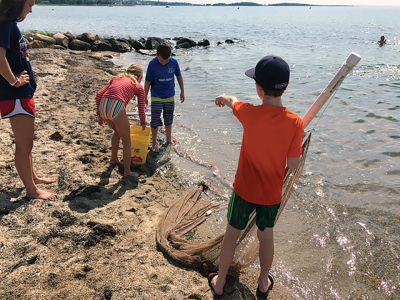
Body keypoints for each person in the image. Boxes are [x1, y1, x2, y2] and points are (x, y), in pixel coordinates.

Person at [208, 56, 304, 299]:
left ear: (259, 90)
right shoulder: (296, 123)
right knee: (266, 236)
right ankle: (263, 282)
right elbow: (293, 165)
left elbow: (233, 101)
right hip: (270, 195)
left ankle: (219, 283)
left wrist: (223, 98)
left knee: (232, 234)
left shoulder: (249, 113)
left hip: (243, 191)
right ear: (286, 87)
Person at [0, 0, 57, 200]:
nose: (32, 9)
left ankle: (33, 178)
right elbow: (0, 59)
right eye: (30, 4)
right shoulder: (5, 25)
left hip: (22, 94)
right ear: (17, 3)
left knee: (27, 144)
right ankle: (32, 191)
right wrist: (14, 81)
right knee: (24, 146)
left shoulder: (10, 25)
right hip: (16, 95)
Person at [95, 64, 146, 178]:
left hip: (103, 104)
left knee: (117, 132)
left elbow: (98, 95)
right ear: (139, 77)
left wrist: (99, 115)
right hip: (116, 105)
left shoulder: (116, 78)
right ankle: (127, 172)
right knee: (127, 140)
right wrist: (143, 122)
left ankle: (113, 159)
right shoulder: (137, 85)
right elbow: (141, 107)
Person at [144, 43, 185, 152]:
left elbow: (179, 76)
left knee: (168, 119)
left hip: (169, 96)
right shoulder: (152, 64)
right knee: (155, 120)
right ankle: (154, 142)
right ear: (156, 55)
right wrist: (145, 96)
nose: (164, 63)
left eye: (166, 61)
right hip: (156, 96)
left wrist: (182, 91)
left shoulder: (174, 62)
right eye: (162, 61)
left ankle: (168, 140)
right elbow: (147, 81)